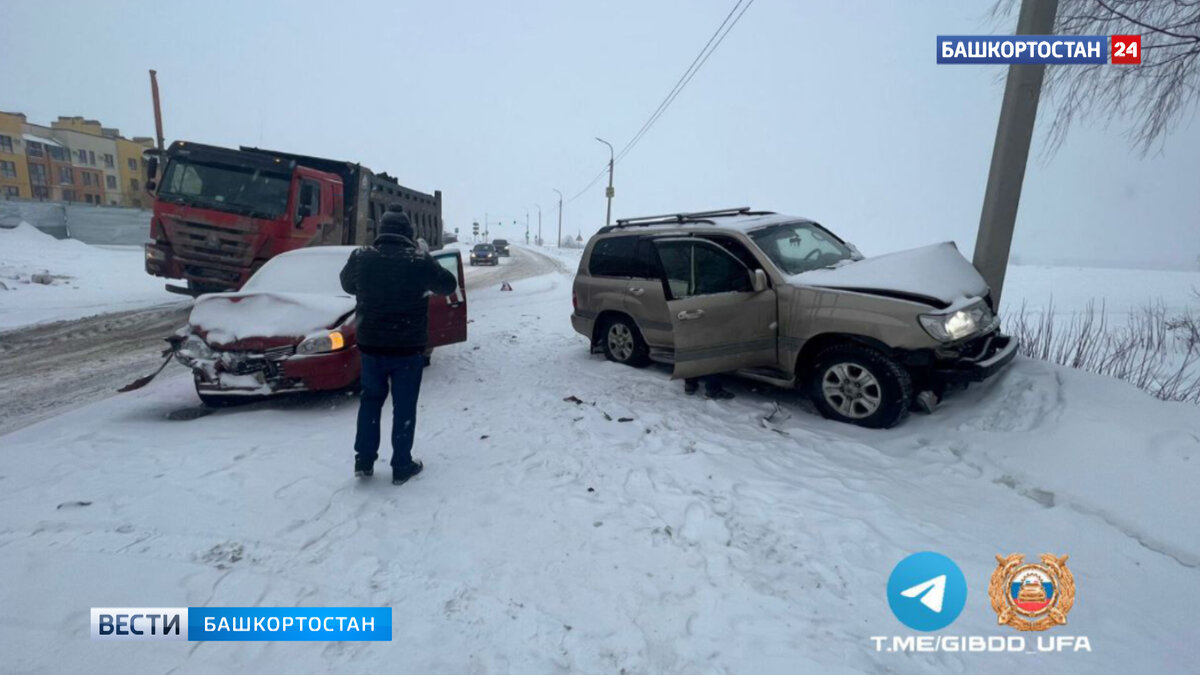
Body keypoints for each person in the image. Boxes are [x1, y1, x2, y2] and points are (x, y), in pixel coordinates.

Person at [340, 205, 458, 485]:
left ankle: (364, 460)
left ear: (381, 232)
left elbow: (347, 284)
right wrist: (426, 257)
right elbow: (448, 285)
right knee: (404, 406)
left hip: (371, 347)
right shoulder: (418, 260)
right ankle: (401, 465)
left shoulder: (362, 257)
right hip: (407, 349)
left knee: (370, 402)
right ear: (408, 234)